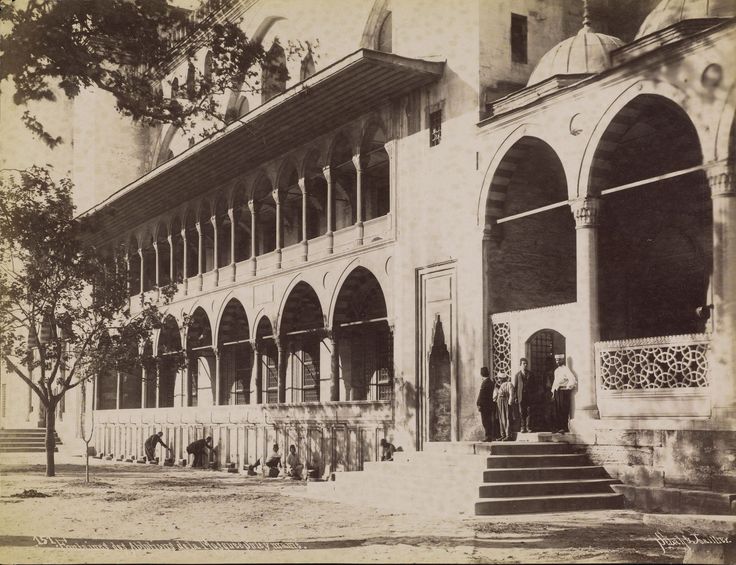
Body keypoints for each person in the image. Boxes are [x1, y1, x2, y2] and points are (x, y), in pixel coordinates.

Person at [551, 354, 577, 434]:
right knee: (556, 410)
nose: (558, 361)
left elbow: (572, 380)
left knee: (563, 409)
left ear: (562, 360)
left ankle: (564, 427)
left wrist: (567, 387)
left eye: (559, 360)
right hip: (557, 391)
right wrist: (553, 392)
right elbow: (555, 382)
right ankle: (557, 427)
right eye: (556, 360)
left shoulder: (566, 369)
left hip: (563, 392)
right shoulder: (556, 371)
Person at [511, 358, 534, 433]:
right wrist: (515, 397)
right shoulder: (517, 375)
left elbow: (534, 385)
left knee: (529, 411)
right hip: (521, 396)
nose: (525, 365)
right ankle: (522, 427)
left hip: (529, 396)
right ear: (520, 365)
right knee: (521, 412)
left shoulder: (530, 374)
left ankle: (528, 427)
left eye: (526, 363)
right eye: (523, 363)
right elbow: (515, 387)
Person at [493, 373, 514, 441]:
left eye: (500, 378)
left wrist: (510, 403)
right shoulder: (499, 386)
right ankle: (503, 435)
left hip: (505, 402)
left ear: (504, 379)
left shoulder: (509, 384)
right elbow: (495, 396)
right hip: (499, 403)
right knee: (501, 419)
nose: (499, 380)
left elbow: (511, 394)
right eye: (499, 378)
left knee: (506, 418)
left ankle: (508, 435)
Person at [476, 366, 494, 441]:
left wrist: (478, 403)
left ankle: (488, 436)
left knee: (485, 421)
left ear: (481, 374)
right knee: (488, 420)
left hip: (484, 405)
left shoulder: (485, 383)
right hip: (489, 404)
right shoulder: (491, 382)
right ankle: (489, 436)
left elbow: (481, 394)